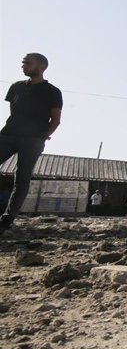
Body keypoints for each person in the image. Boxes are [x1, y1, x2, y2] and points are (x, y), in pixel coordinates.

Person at [0, 53, 62, 234]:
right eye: (23, 62)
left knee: (22, 178)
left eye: (28, 62)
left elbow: (55, 120)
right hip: (8, 135)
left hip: (32, 140)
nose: (24, 65)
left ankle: (7, 218)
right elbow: (14, 112)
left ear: (42, 66)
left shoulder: (52, 92)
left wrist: (42, 136)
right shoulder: (16, 87)